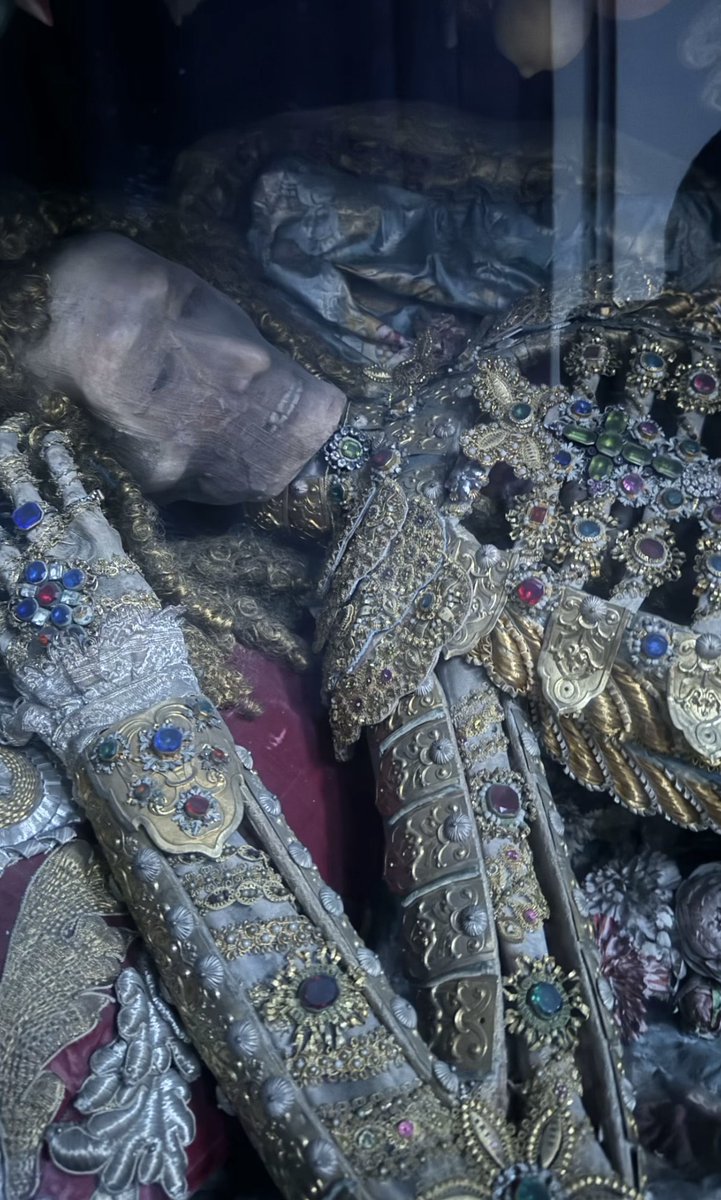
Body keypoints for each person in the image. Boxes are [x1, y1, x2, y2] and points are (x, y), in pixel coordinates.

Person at [1, 103, 721, 1200]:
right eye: (155, 381)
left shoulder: (473, 316)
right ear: (98, 486)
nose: (238, 358)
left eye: (192, 302)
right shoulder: (386, 628)